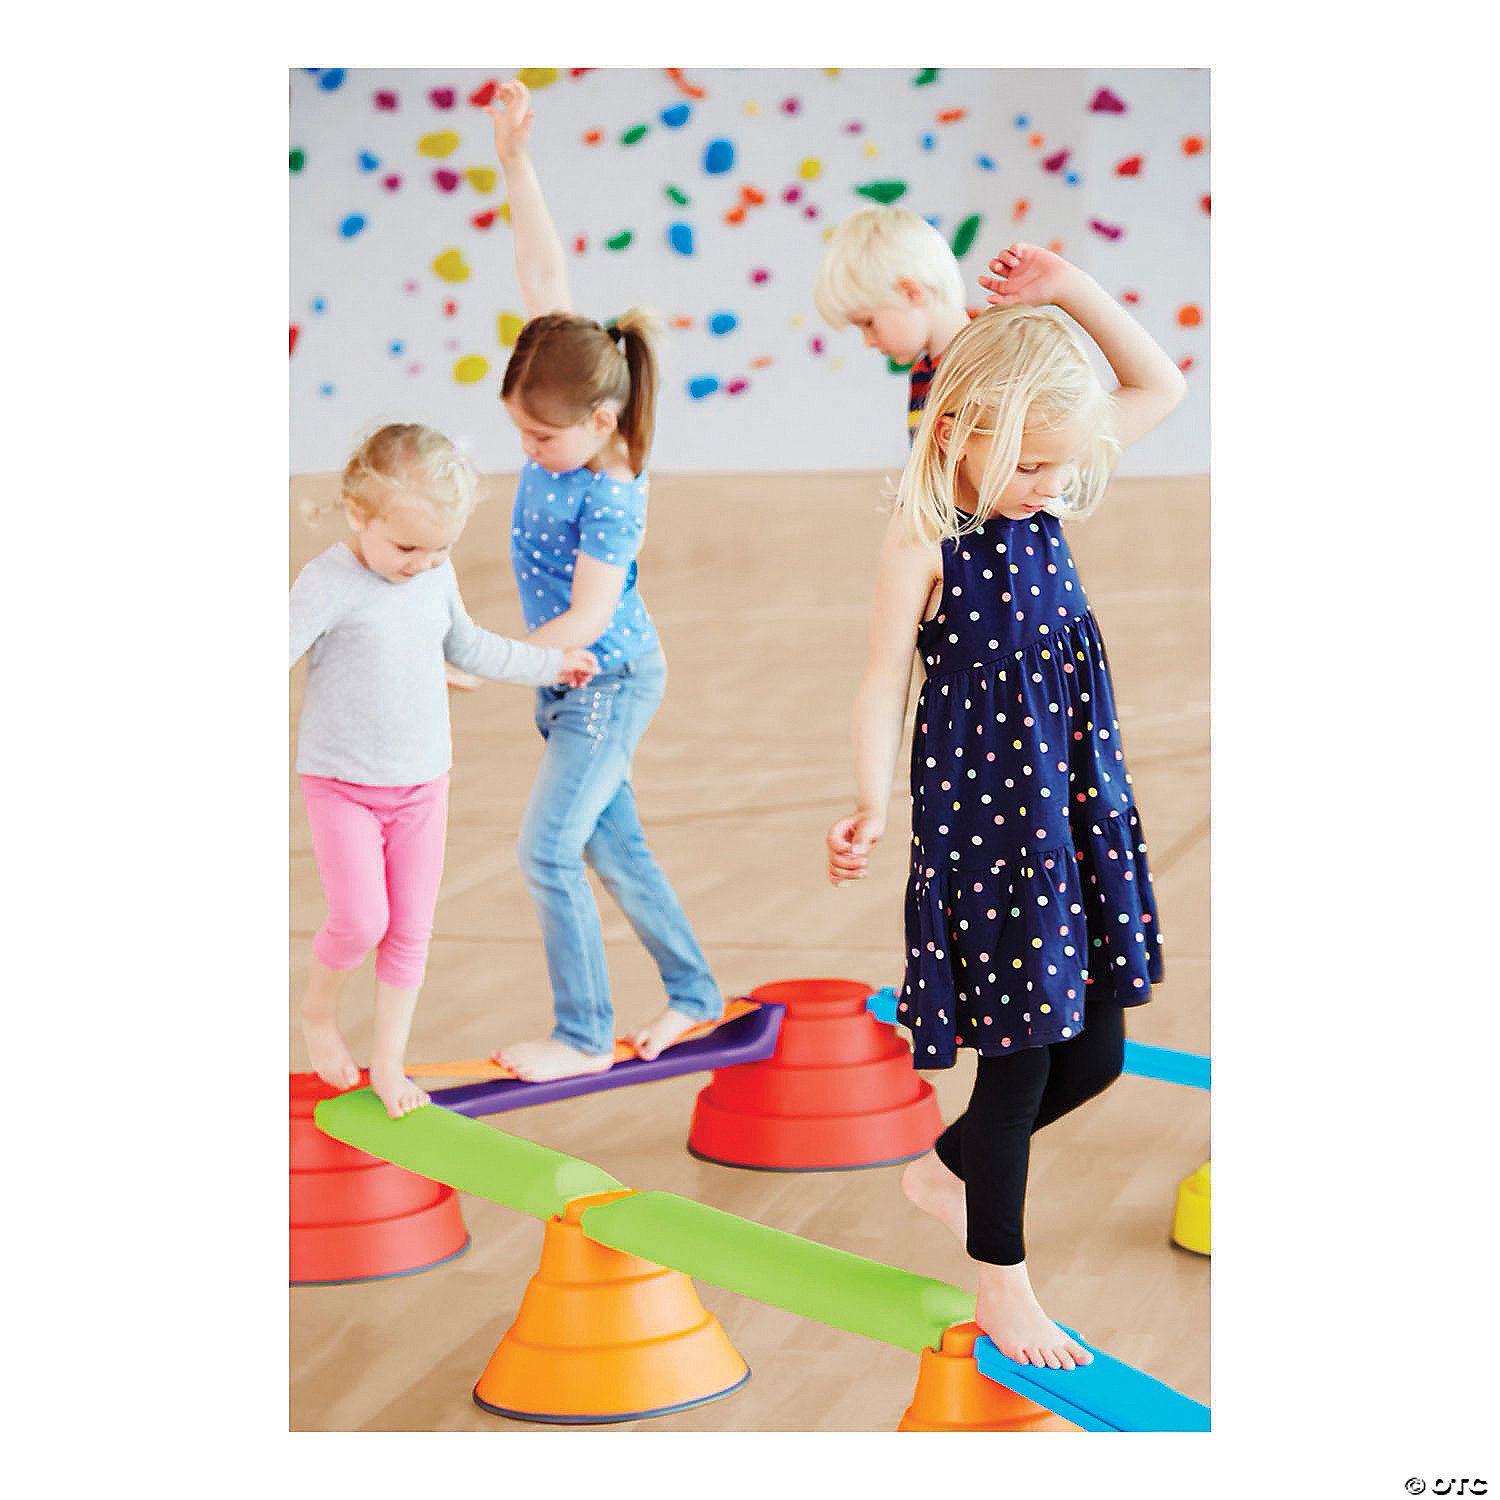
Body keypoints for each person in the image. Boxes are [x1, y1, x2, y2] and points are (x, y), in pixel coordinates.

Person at [826, 243, 1187, 1369]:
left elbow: (1162, 382)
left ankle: (946, 1169)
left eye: (1059, 464)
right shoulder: (923, 538)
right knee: (1022, 1059)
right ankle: (1002, 1285)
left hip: (1070, 812)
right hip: (992, 832)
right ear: (953, 432)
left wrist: (1071, 291)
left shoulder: (1044, 485)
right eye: (1030, 464)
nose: (1050, 484)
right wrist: (870, 801)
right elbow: (882, 680)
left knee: (1098, 1056)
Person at [483, 79, 724, 1083]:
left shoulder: (613, 488)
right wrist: (515, 160)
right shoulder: (573, 376)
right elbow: (544, 268)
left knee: (548, 850)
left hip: (605, 678)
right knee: (612, 848)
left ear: (598, 421)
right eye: (518, 432)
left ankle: (582, 1034)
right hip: (569, 678)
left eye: (540, 439)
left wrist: (478, 656)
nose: (529, 450)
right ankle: (697, 995)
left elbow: (587, 615)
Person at [291, 422, 598, 1118]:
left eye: (441, 549)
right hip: (342, 786)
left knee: (410, 929)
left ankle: (389, 1062)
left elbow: (471, 646)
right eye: (406, 548)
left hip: (423, 785)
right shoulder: (327, 583)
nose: (423, 564)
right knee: (360, 921)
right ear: (357, 513)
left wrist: (549, 663)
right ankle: (318, 1012)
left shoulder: (433, 573)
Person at [813, 204, 974, 440]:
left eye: (868, 323)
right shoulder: (924, 374)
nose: (867, 342)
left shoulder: (989, 362)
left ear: (910, 293)